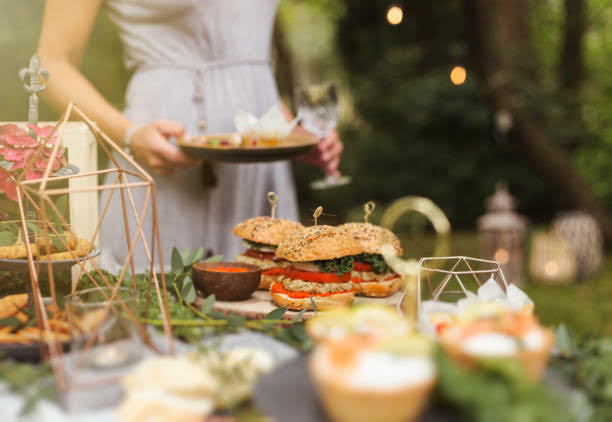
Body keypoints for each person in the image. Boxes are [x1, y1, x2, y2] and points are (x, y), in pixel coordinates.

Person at [37, 0, 344, 272]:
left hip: (259, 177)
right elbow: (52, 65)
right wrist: (129, 134)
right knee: (158, 314)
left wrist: (291, 135)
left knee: (269, 305)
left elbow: (245, 69)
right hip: (160, 168)